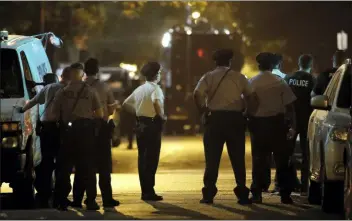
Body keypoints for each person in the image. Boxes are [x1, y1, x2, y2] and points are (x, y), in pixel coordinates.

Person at [193, 49, 257, 205]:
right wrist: (248, 113)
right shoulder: (239, 77)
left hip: (214, 120)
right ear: (230, 61)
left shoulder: (208, 77)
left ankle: (208, 193)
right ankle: (242, 192)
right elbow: (252, 96)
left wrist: (203, 109)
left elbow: (197, 94)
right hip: (235, 120)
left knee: (212, 159)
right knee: (237, 158)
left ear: (215, 62)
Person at [52, 63, 103, 211]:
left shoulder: (62, 92)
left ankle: (62, 200)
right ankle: (87, 200)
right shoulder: (90, 91)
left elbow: (55, 114)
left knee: (65, 168)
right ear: (82, 75)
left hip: (67, 133)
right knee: (86, 167)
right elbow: (99, 114)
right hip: (86, 132)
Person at [70, 58, 120, 208]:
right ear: (98, 70)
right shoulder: (104, 87)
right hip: (102, 129)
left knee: (85, 165)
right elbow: (111, 109)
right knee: (104, 165)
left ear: (85, 71)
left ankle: (84, 199)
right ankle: (107, 198)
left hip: (83, 130)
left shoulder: (78, 88)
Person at [248, 52, 297, 204]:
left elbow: (247, 104)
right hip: (277, 124)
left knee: (259, 159)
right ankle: (285, 194)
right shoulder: (280, 82)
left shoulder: (252, 82)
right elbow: (290, 106)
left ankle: (257, 192)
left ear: (259, 65)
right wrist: (293, 126)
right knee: (281, 160)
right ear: (272, 66)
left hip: (258, 124)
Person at [19, 67, 71, 208]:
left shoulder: (48, 88)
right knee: (62, 163)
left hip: (46, 128)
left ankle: (44, 194)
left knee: (46, 161)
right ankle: (60, 196)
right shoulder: (67, 90)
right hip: (60, 129)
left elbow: (33, 102)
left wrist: (20, 111)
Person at [122, 62, 166, 201]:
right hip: (152, 125)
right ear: (156, 75)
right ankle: (149, 190)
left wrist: (138, 113)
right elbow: (156, 103)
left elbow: (125, 104)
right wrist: (162, 116)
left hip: (141, 124)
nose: (160, 75)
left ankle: (145, 191)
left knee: (142, 158)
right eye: (159, 73)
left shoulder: (139, 89)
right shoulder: (156, 89)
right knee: (152, 158)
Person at [284, 54, 315, 196]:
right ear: (311, 64)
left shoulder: (289, 78)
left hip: (290, 121)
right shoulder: (311, 80)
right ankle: (304, 186)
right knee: (306, 154)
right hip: (306, 121)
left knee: (287, 153)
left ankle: (287, 184)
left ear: (298, 63)